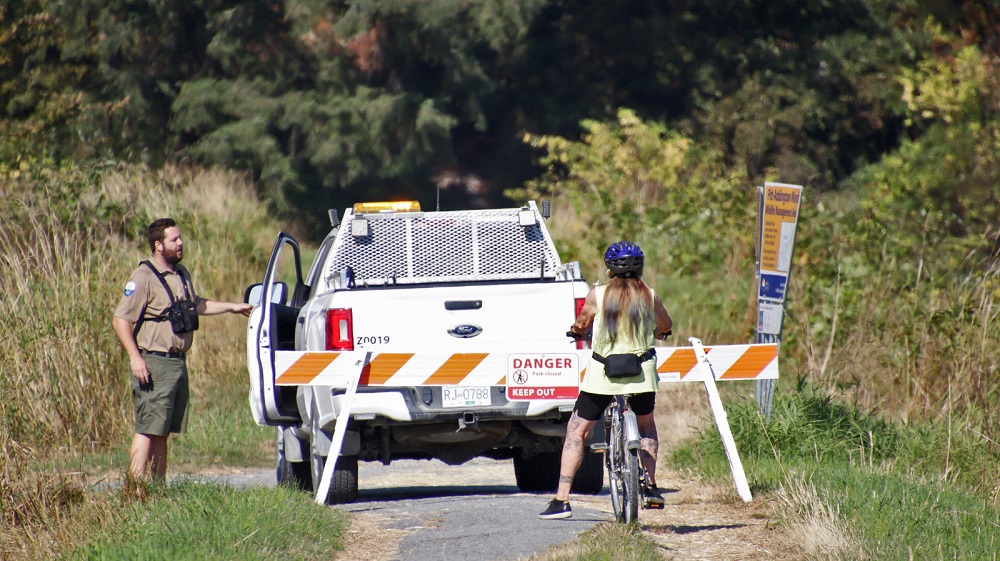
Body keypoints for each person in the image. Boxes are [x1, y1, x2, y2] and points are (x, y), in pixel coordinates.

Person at [112, 218, 253, 482]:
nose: (180, 243)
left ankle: (157, 487)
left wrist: (233, 307)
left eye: (180, 238)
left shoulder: (181, 274)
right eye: (174, 239)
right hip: (154, 362)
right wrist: (135, 358)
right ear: (158, 245)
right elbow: (120, 320)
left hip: (176, 363)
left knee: (162, 430)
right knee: (147, 428)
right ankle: (134, 489)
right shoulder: (143, 277)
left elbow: (195, 305)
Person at [538, 241, 672, 519]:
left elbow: (582, 323)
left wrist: (576, 331)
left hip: (602, 376)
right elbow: (666, 325)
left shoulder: (597, 295)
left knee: (577, 431)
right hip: (641, 375)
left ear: (609, 268)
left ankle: (561, 500)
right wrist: (660, 333)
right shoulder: (650, 295)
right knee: (646, 426)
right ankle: (651, 487)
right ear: (640, 267)